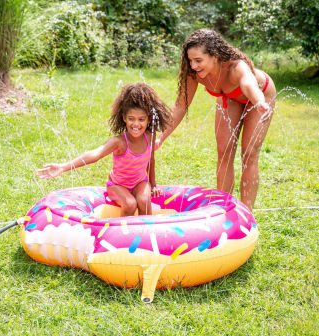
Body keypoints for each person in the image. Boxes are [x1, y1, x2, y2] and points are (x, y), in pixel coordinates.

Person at [157, 29, 276, 211]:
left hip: (259, 96)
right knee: (224, 152)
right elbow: (181, 105)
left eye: (198, 60)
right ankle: (225, 209)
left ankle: (247, 213)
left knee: (249, 153)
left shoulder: (236, 66)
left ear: (215, 56)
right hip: (230, 98)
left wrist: (259, 101)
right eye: (190, 60)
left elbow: (247, 83)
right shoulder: (194, 73)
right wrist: (161, 137)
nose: (193, 65)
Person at [37, 82, 171, 216]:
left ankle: (145, 232)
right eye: (131, 119)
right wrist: (63, 167)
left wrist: (152, 185)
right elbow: (95, 154)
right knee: (130, 204)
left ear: (148, 120)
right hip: (117, 186)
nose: (136, 124)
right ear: (124, 118)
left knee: (144, 201)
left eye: (141, 119)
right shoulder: (119, 142)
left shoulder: (150, 137)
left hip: (140, 182)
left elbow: (150, 160)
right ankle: (122, 234)